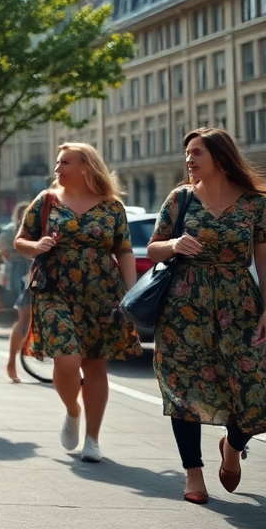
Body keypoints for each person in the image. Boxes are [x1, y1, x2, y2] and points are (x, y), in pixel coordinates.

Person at [145, 128, 266, 504]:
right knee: (184, 389)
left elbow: (264, 261)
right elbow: (153, 249)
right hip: (184, 306)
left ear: (220, 156)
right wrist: (174, 244)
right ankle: (193, 473)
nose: (189, 159)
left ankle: (232, 447)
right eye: (187, 153)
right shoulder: (180, 199)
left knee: (252, 388)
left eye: (197, 152)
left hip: (239, 306)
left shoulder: (254, 204)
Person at [14, 143, 140, 464]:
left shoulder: (112, 207)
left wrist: (131, 295)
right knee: (66, 360)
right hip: (54, 289)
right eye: (57, 163)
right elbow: (19, 241)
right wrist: (37, 245)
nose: (57, 168)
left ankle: (92, 440)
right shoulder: (47, 201)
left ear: (85, 167)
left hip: (102, 293)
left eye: (64, 162)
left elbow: (124, 251)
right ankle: (73, 409)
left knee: (96, 365)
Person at [3, 202, 32, 383]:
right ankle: (12, 361)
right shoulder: (13, 231)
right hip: (27, 277)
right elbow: (5, 249)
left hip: (44, 275)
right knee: (24, 318)